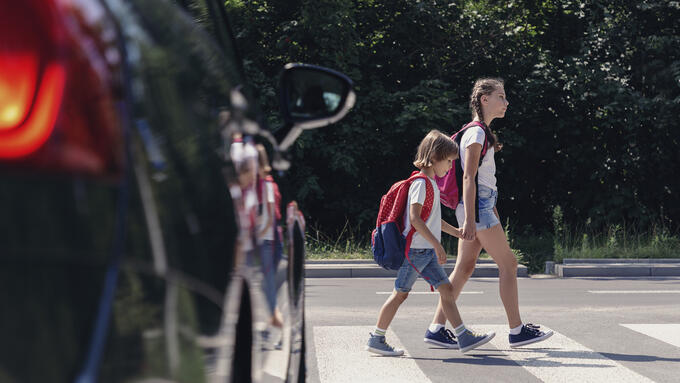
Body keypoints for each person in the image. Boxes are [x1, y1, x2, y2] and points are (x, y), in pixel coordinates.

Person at [426, 78, 553, 349]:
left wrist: (485, 210)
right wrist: (473, 219)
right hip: (476, 207)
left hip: (480, 206)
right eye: (501, 97)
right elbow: (469, 178)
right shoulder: (476, 134)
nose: (506, 102)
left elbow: (481, 180)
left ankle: (436, 328)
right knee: (508, 265)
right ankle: (517, 330)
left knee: (464, 267)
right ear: (484, 99)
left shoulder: (480, 133)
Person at [367, 130, 495, 356]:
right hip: (416, 251)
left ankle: (463, 336)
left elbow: (433, 220)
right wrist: (437, 245)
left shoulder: (430, 184)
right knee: (400, 294)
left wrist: (456, 232)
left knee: (446, 289)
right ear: (434, 157)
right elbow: (416, 219)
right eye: (448, 162)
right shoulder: (421, 183)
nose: (449, 168)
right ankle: (377, 338)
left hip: (423, 251)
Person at [255, 144, 284, 329]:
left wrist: (257, 232)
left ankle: (274, 320)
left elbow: (270, 216)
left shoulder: (265, 186)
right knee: (265, 284)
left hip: (265, 240)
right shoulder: (259, 185)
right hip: (262, 240)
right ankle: (271, 320)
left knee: (267, 284)